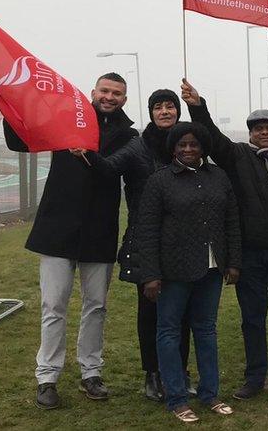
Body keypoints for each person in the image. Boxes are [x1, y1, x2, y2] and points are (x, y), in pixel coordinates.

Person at [3, 73, 138, 409]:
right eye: (105, 90)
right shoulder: (66, 120)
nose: (109, 97)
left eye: (117, 93)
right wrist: (9, 107)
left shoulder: (129, 135)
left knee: (97, 307)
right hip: (57, 232)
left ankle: (91, 373)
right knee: (53, 307)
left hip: (99, 233)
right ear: (93, 92)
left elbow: (110, 170)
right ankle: (47, 378)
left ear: (124, 99)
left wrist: (86, 154)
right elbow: (21, 141)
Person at [182, 79, 268, 400]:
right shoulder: (238, 157)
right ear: (250, 132)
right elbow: (214, 140)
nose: (263, 132)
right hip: (250, 256)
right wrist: (197, 106)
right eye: (257, 128)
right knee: (253, 319)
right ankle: (255, 377)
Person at [83, 89, 192, 401]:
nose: (165, 112)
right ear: (151, 112)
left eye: (170, 106)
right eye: (158, 107)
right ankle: (153, 373)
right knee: (150, 310)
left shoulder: (188, 145)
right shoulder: (138, 146)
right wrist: (87, 154)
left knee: (182, 311)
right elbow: (108, 168)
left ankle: (180, 371)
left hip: (184, 240)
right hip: (147, 239)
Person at [135, 122, 241, 422]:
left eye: (194, 144)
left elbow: (231, 220)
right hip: (172, 272)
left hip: (211, 269)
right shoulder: (159, 181)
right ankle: (177, 397)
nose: (188, 149)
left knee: (206, 330)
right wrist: (150, 274)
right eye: (182, 144)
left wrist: (233, 262)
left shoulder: (218, 176)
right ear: (173, 148)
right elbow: (147, 230)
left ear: (203, 147)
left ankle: (209, 393)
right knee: (168, 332)